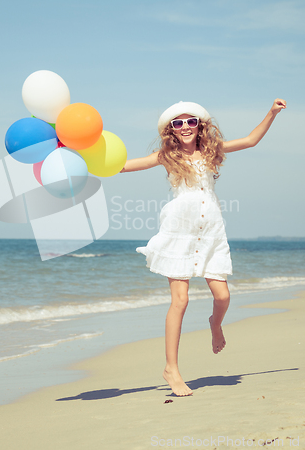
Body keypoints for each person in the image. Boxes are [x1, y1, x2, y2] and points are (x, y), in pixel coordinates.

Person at [120, 98, 287, 396]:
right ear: (171, 129)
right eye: (178, 123)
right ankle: (171, 369)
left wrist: (271, 112)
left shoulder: (211, 152)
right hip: (178, 231)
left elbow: (250, 140)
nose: (185, 127)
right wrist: (83, 159)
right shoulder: (165, 156)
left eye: (191, 121)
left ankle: (215, 324)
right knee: (180, 301)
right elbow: (121, 167)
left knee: (222, 296)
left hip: (210, 232)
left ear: (200, 126)